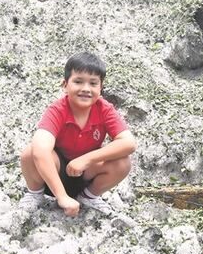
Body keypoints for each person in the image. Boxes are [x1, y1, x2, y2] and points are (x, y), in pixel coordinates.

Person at [19, 52, 136, 216]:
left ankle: (89, 197)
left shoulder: (104, 109)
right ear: (65, 85)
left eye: (93, 83)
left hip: (85, 175)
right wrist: (62, 197)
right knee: (30, 153)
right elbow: (40, 149)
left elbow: (129, 143)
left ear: (100, 88)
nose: (86, 89)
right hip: (53, 176)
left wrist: (86, 159)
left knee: (122, 162)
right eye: (78, 81)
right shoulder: (57, 110)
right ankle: (34, 194)